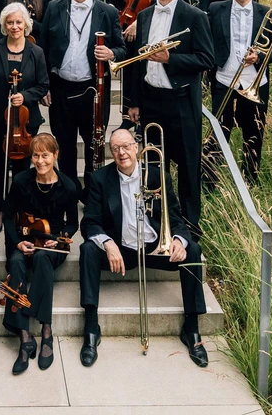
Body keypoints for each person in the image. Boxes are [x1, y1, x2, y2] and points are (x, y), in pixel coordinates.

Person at [78, 127, 208, 368]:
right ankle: (91, 327)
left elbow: (177, 219)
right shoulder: (100, 179)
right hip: (123, 251)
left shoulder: (158, 176)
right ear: (111, 152)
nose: (121, 152)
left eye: (126, 146)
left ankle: (192, 328)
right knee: (87, 250)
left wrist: (179, 240)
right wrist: (107, 243)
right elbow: (89, 223)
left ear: (136, 147)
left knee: (194, 252)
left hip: (155, 249)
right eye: (115, 148)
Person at [123, 0, 214, 231]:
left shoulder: (194, 15)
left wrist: (170, 58)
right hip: (151, 101)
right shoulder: (145, 15)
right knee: (153, 165)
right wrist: (134, 102)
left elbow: (207, 58)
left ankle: (188, 225)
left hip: (182, 102)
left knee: (187, 166)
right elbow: (138, 63)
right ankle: (157, 221)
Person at [43, 0, 126, 185]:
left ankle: (92, 197)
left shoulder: (107, 11)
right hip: (61, 90)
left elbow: (121, 48)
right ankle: (70, 198)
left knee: (93, 148)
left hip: (94, 91)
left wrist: (111, 53)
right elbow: (43, 48)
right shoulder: (53, 7)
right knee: (65, 147)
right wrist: (45, 86)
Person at [2, 133, 79, 373]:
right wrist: (16, 244)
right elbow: (7, 216)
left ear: (55, 155)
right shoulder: (22, 181)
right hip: (25, 240)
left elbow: (73, 223)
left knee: (44, 257)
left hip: (53, 244)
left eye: (45, 155)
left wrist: (61, 238)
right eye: (36, 155)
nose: (40, 160)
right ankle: (25, 337)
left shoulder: (68, 186)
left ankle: (46, 329)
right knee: (15, 263)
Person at [208, 0, 272, 182]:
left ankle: (250, 178)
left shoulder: (267, 13)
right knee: (219, 132)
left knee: (254, 133)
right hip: (225, 80)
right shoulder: (216, 9)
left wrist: (259, 56)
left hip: (256, 83)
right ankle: (211, 179)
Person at [0, 3, 51, 209]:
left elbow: (43, 85)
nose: (14, 26)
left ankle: (17, 208)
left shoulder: (36, 52)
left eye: (19, 22)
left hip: (26, 123)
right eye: (10, 22)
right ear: (4, 25)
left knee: (21, 168)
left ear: (26, 24)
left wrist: (25, 96)